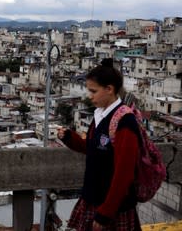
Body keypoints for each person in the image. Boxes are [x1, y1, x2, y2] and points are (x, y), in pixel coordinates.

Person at [58, 58, 141, 231]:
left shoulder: (125, 122)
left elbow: (123, 174)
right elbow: (93, 148)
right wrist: (69, 137)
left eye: (93, 91)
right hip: (93, 200)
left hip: (112, 209)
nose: (90, 96)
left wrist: (105, 213)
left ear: (109, 89)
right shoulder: (100, 116)